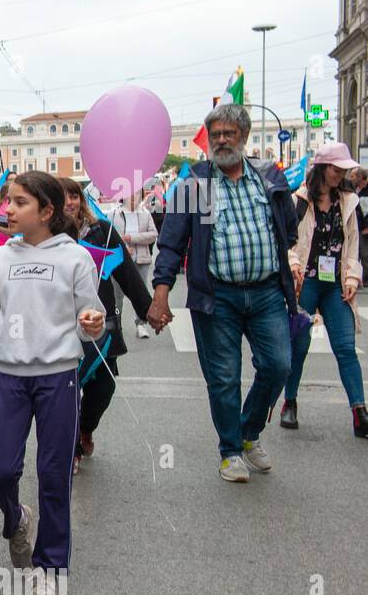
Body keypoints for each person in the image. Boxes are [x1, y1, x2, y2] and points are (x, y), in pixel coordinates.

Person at [0, 172, 105, 595]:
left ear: (47, 211)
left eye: (19, 203)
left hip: (59, 377)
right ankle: (16, 517)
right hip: (9, 379)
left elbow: (94, 315)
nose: (8, 210)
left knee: (53, 477)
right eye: (9, 201)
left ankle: (49, 573)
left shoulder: (75, 259)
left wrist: (93, 324)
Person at [146, 104, 299, 483]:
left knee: (279, 364)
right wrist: (160, 294)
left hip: (266, 294)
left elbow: (289, 230)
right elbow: (170, 245)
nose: (222, 140)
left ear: (244, 137)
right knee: (224, 377)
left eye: (229, 133)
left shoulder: (270, 180)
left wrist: (290, 263)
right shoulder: (192, 186)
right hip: (217, 298)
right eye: (215, 135)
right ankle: (230, 450)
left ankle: (249, 433)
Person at [58, 178, 153, 474]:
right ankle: (70, 448)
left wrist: (149, 310)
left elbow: (127, 274)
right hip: (62, 327)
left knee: (104, 387)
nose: (70, 202)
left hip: (102, 324)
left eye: (74, 195)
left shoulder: (103, 231)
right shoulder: (46, 235)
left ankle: (86, 428)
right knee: (66, 390)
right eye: (62, 197)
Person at [279, 142, 366, 437]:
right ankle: (289, 402)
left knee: (345, 348)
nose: (340, 173)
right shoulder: (299, 201)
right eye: (335, 168)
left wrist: (353, 278)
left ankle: (359, 411)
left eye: (343, 169)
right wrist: (292, 264)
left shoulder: (349, 201)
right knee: (299, 347)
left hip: (336, 284)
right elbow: (288, 241)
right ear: (322, 168)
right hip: (307, 281)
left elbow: (353, 244)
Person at [125, 192, 160, 338]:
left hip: (141, 258)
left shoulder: (145, 214)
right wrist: (123, 243)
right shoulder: (115, 214)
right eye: (130, 196)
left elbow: (153, 234)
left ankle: (141, 324)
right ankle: (115, 324)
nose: (133, 199)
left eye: (136, 196)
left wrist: (133, 238)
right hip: (122, 258)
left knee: (141, 292)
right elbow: (110, 234)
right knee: (117, 294)